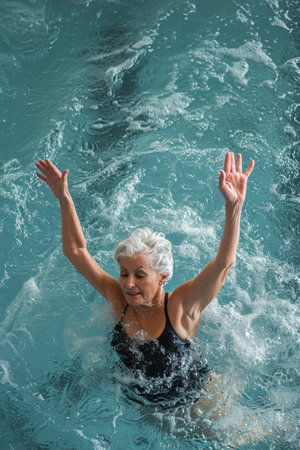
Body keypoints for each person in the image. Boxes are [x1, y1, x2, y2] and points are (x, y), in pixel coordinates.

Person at [36, 152, 254, 407]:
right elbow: (76, 251)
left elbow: (223, 264)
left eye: (140, 275)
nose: (128, 284)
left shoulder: (180, 308)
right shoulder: (119, 299)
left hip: (201, 406)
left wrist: (234, 206)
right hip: (152, 411)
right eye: (124, 273)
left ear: (163, 278)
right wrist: (65, 198)